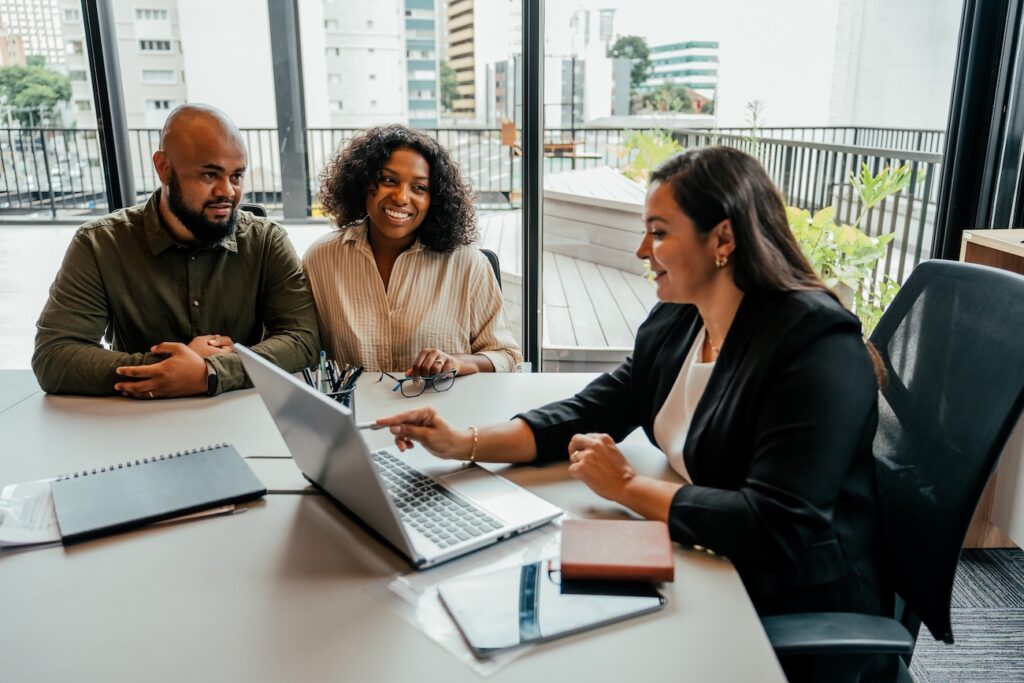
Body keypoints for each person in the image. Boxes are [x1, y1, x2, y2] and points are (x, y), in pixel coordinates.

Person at [377, 146, 892, 622]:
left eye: (660, 231)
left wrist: (625, 487)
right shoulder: (680, 321)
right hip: (704, 556)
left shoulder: (814, 345)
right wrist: (462, 443)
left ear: (724, 239)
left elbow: (777, 526)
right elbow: (588, 411)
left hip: (791, 595)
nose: (643, 249)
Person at [32, 104, 320, 398]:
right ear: (164, 168)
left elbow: (303, 340)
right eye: (210, 175)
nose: (228, 192)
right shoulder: (99, 243)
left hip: (239, 413)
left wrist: (211, 373)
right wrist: (168, 368)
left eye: (236, 176)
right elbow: (54, 356)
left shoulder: (266, 240)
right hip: (136, 422)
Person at [303, 124, 522, 378]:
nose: (401, 197)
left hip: (444, 413)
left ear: (434, 199)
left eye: (419, 188)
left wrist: (459, 363)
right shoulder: (321, 259)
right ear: (362, 183)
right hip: (355, 413)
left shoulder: (468, 263)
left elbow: (507, 356)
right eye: (388, 180)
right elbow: (304, 352)